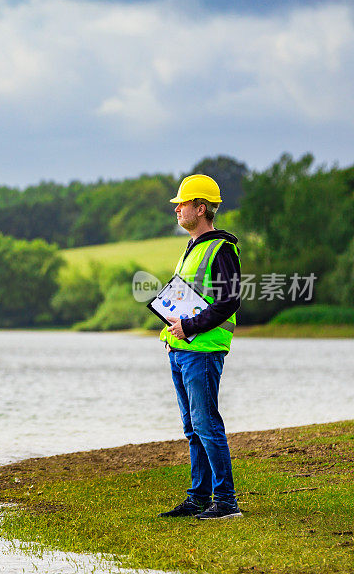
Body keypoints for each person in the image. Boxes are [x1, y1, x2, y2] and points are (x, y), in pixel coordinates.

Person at [157, 174, 243, 520]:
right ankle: (198, 498)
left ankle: (225, 503)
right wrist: (170, 333)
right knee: (193, 427)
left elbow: (229, 300)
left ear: (201, 207)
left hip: (203, 350)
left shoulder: (221, 248)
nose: (178, 209)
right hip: (182, 349)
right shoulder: (191, 248)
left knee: (207, 426)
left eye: (184, 203)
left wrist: (188, 327)